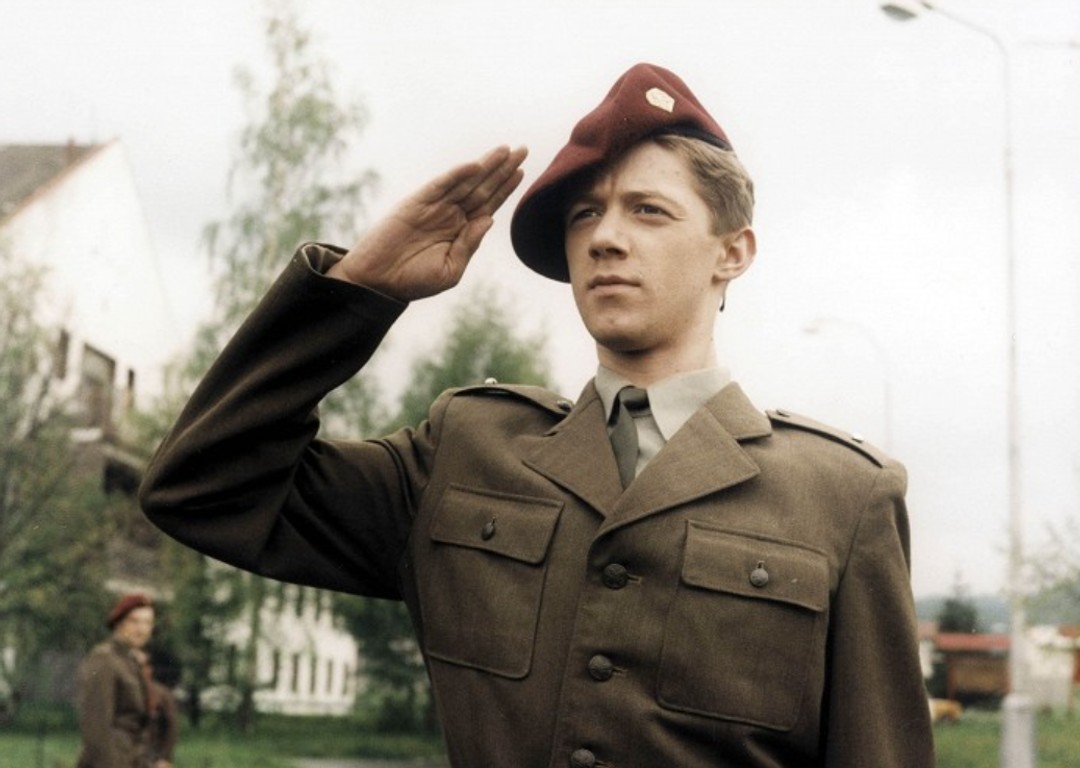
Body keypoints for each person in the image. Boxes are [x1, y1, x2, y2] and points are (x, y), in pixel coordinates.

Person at [141, 62, 934, 766]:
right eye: (584, 214)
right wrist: (357, 292)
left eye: (648, 211)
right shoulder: (465, 453)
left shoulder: (838, 497)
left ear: (733, 251)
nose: (605, 238)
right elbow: (203, 489)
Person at [76, 593, 159, 768]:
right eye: (134, 621)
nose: (141, 629)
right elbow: (97, 727)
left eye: (147, 623)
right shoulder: (105, 659)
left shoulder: (132, 661)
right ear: (119, 623)